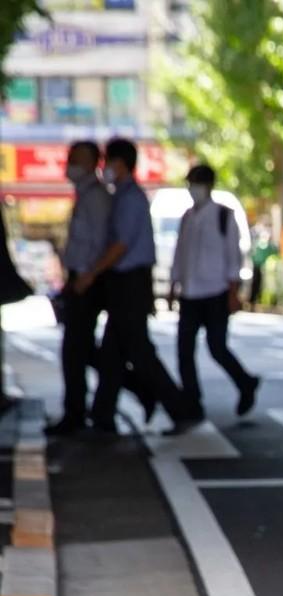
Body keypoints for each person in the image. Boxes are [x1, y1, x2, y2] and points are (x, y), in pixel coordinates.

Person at [75, 138, 197, 436]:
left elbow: (121, 245)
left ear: (119, 163)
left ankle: (179, 407)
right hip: (123, 282)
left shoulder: (130, 198)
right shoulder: (122, 195)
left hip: (130, 282)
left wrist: (91, 273)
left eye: (108, 162)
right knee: (112, 354)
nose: (105, 169)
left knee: (138, 351)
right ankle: (104, 416)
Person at [44, 141, 154, 436]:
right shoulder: (91, 195)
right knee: (93, 351)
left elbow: (110, 242)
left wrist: (89, 276)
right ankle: (114, 401)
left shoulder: (99, 198)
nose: (71, 164)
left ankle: (79, 412)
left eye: (78, 159)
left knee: (79, 349)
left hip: (90, 281)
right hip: (85, 278)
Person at [168, 165, 260, 419]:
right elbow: (180, 253)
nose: (192, 189)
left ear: (208, 185)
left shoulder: (223, 215)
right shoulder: (187, 216)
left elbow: (234, 256)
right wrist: (174, 284)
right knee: (184, 349)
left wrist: (233, 291)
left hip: (216, 291)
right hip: (190, 292)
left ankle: (245, 382)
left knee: (216, 347)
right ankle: (192, 401)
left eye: (196, 183)